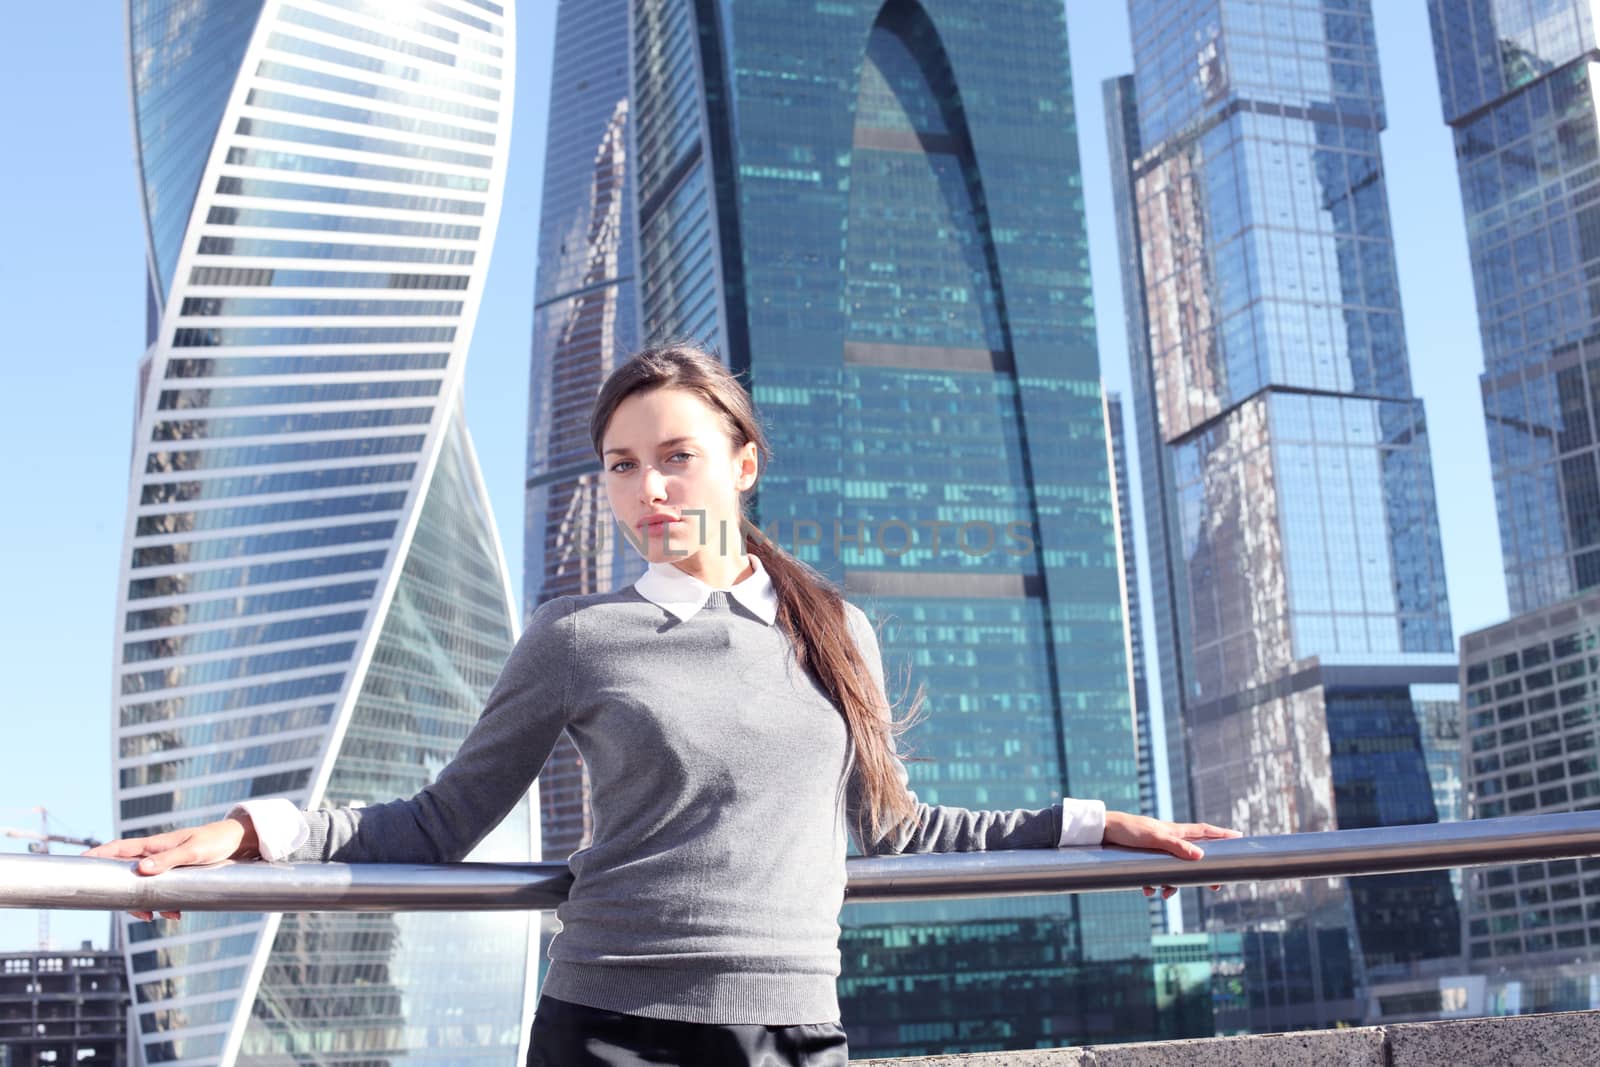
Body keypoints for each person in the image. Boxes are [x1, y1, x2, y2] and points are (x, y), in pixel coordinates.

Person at [87, 344, 1242, 1065]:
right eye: (621, 463)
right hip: (607, 1029)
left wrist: (1093, 825)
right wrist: (257, 828)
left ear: (744, 462)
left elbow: (899, 828)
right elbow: (438, 822)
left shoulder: (834, 630)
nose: (646, 489)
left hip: (791, 1028)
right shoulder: (578, 637)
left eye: (675, 455)